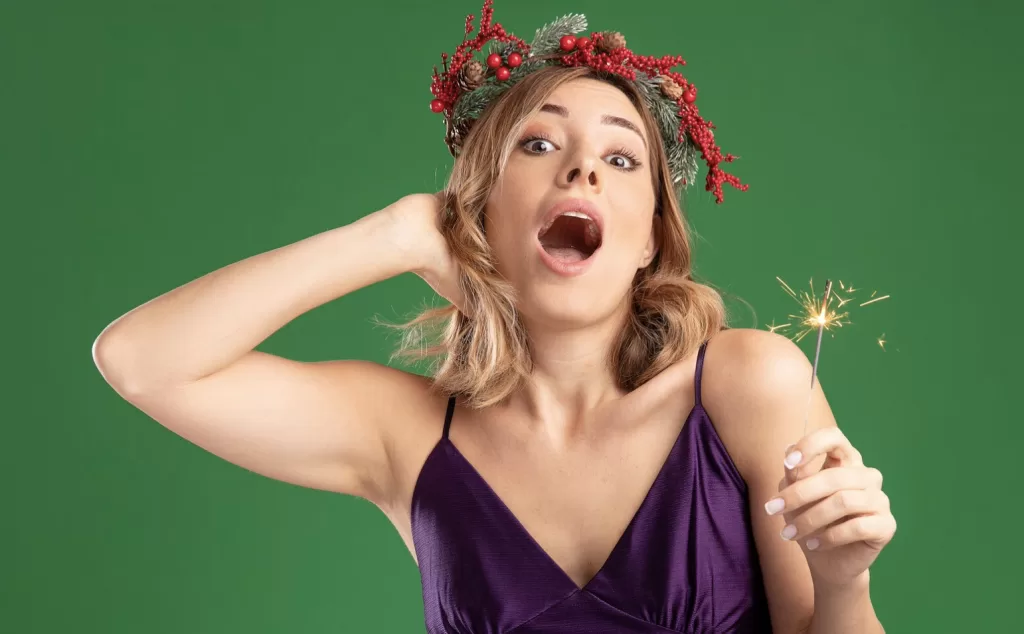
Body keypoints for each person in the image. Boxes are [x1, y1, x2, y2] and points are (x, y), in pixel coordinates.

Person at [92, 2, 896, 632]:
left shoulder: (748, 384)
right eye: (538, 146)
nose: (582, 165)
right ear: (477, 210)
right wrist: (397, 232)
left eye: (621, 158)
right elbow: (141, 360)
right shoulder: (408, 437)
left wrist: (842, 582)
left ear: (650, 237)